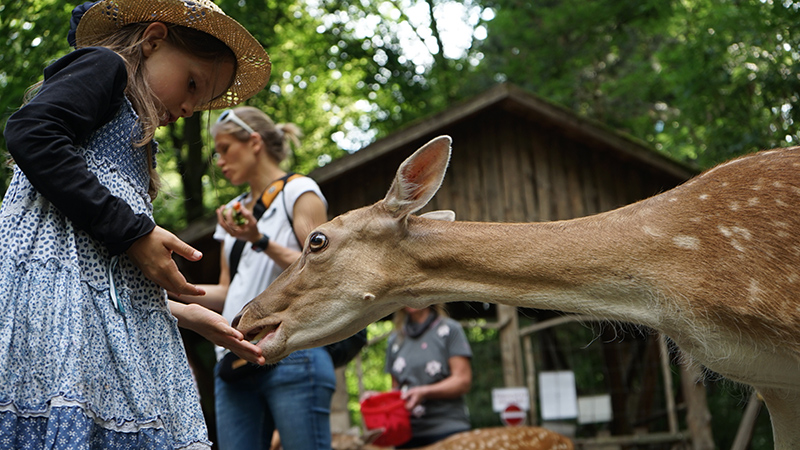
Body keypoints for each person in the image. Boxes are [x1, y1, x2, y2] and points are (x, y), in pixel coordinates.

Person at [0, 0, 270, 448]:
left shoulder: (134, 143)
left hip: (88, 323)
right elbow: (33, 132)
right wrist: (135, 232)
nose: (187, 107)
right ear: (153, 40)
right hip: (47, 316)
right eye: (191, 84)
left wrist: (181, 314)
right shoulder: (106, 67)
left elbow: (92, 264)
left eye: (198, 103)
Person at [174, 106, 337, 450]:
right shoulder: (233, 213)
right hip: (234, 358)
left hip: (292, 349)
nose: (219, 161)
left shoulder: (299, 190)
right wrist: (173, 286)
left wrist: (259, 241)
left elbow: (323, 266)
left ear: (254, 142)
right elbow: (228, 291)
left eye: (225, 148)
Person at [384, 305, 473, 448]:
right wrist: (376, 400)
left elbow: (462, 381)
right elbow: (396, 390)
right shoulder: (395, 339)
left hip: (447, 429)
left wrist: (425, 392)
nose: (411, 298)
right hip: (406, 435)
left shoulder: (450, 329)